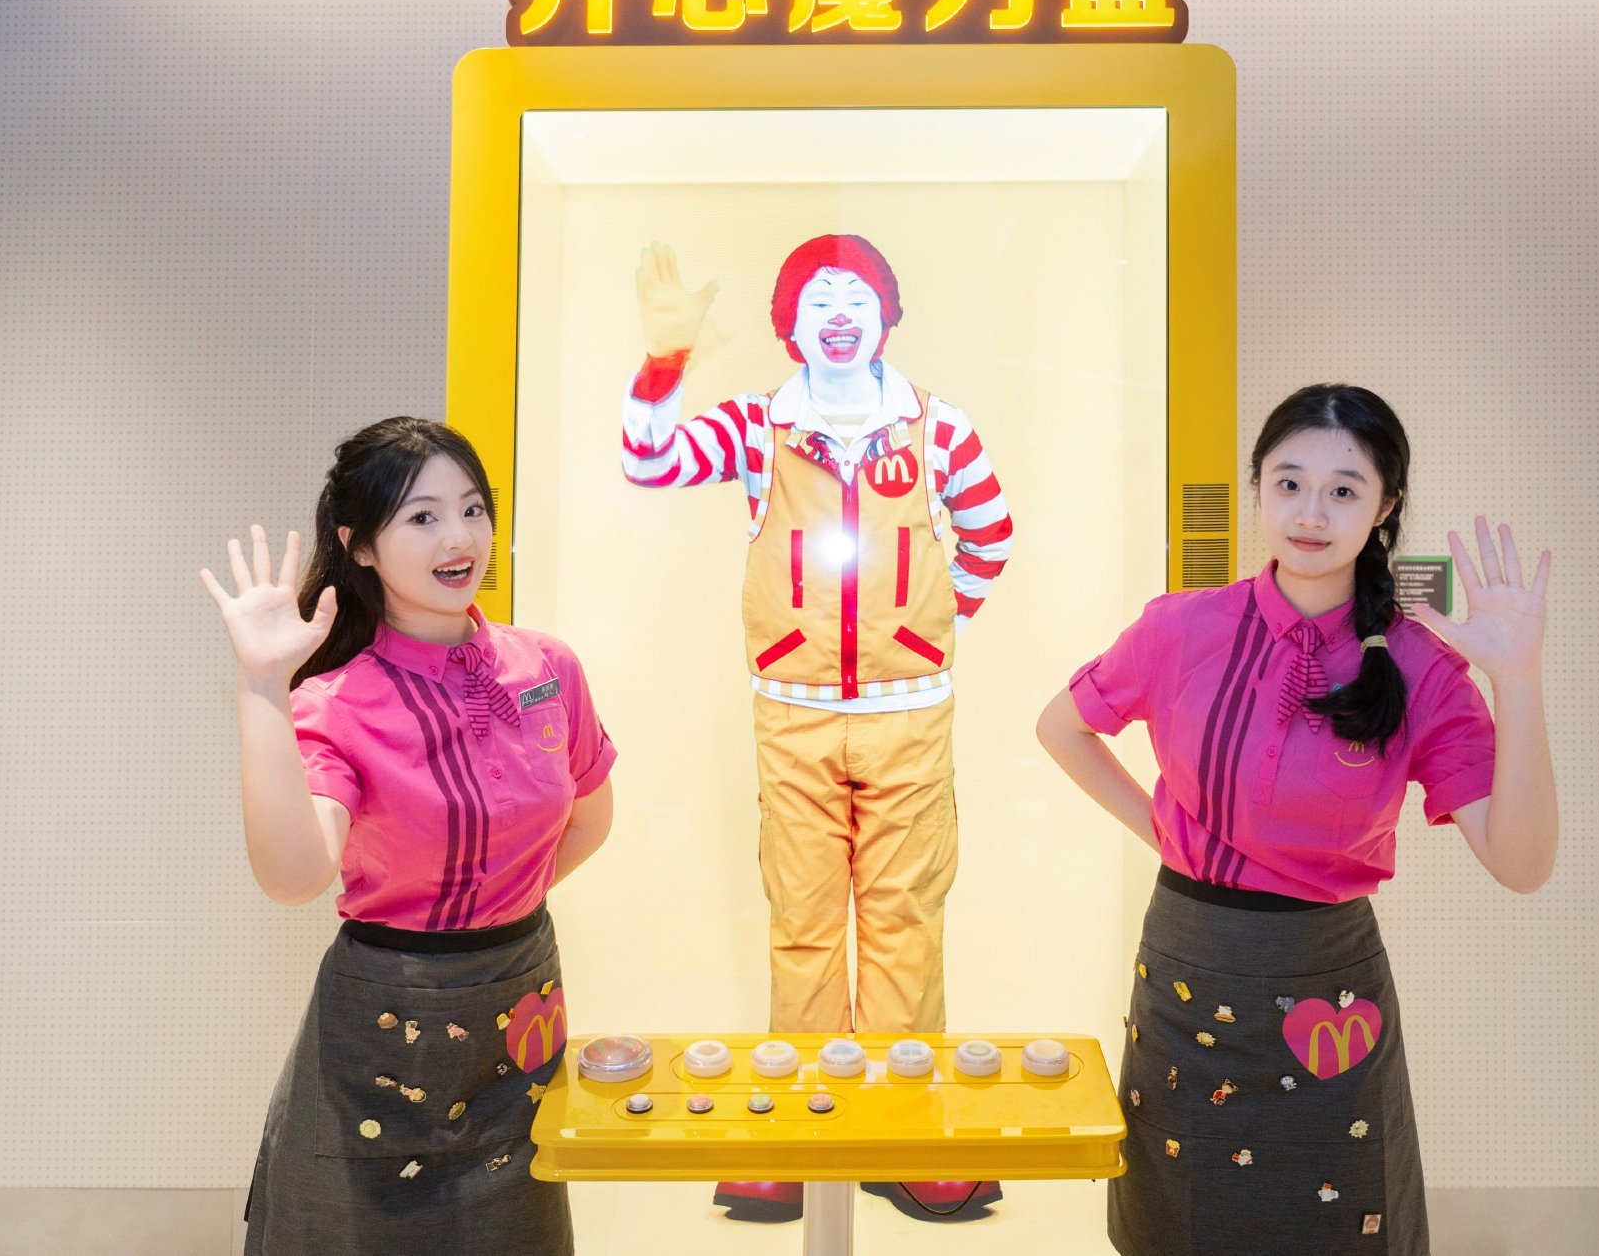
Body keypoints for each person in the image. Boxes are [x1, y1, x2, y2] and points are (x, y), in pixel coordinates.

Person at [1036, 384, 1557, 1255]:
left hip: (1329, 992)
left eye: (1344, 490)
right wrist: (1166, 832)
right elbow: (1063, 727)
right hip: (1189, 976)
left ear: (1385, 507)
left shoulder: (1421, 664)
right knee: (1178, 1225)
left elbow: (1522, 863)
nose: (1311, 513)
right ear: (1258, 489)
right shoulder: (1181, 627)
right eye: (1289, 483)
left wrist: (1520, 679)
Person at [620, 237, 1012, 1220]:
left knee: (904, 925)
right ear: (789, 324)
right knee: (800, 923)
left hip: (907, 720)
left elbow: (990, 536)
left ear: (887, 315)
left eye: (856, 296)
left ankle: (902, 1135)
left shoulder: (939, 427)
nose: (838, 314)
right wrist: (664, 362)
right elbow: (649, 461)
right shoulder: (758, 426)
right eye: (818, 299)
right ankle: (795, 1135)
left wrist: (929, 632)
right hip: (791, 715)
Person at [202, 417, 616, 1256]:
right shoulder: (334, 702)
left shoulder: (548, 668)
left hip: (521, 1010)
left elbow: (589, 819)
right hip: (380, 1033)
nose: (459, 538)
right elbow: (293, 878)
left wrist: (489, 911)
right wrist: (262, 687)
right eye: (422, 517)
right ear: (359, 546)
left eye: (472, 508)